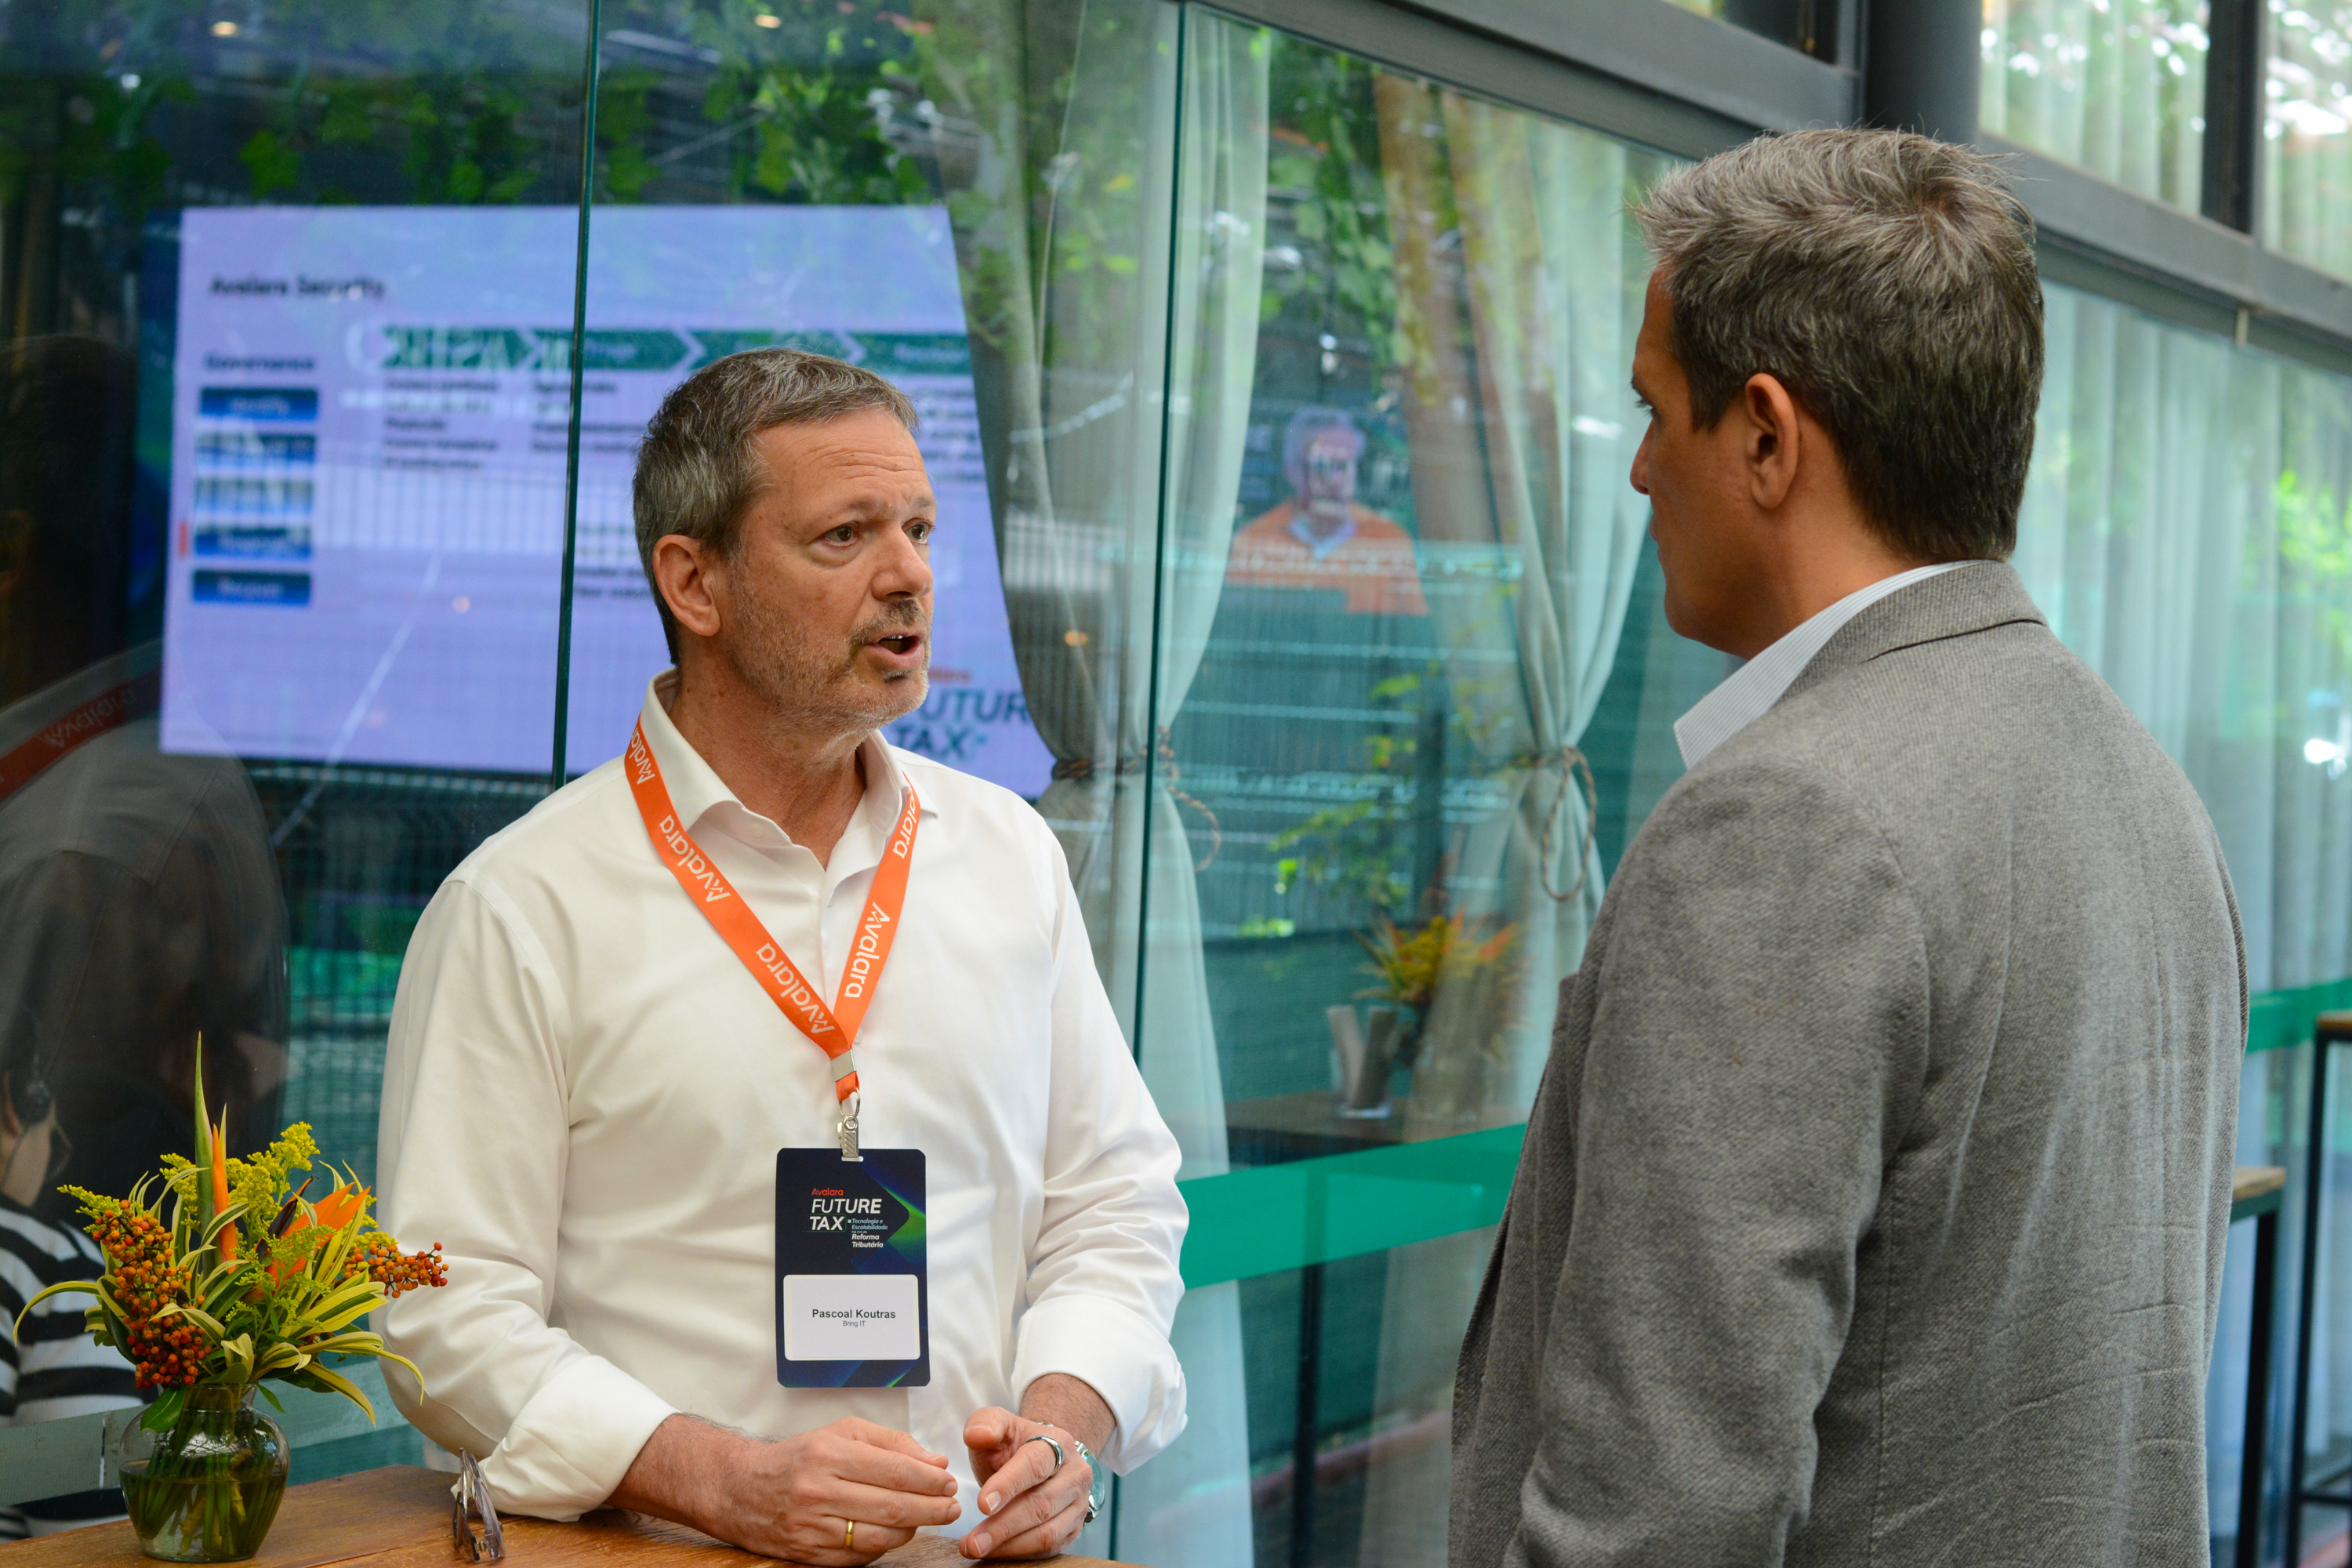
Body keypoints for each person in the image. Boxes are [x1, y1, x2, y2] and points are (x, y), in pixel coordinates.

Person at [1449, 129, 2244, 1566]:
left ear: (1766, 435)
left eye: (1654, 412)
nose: (1639, 472)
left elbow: (1659, 1513)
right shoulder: (2145, 788)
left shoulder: (1787, 824)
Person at [378, 349, 1187, 1564]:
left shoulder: (1008, 854)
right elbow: (443, 1314)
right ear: (694, 582)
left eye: (918, 527)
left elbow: (1114, 1203)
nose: (908, 574)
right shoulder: (522, 907)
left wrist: (1063, 1428)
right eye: (844, 536)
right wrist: (721, 1481)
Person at [1225, 406, 1427, 615]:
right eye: (1319, 466)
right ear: (1291, 471)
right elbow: (1235, 621)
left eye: (1342, 465)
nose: (1333, 481)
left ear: (1357, 470)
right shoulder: (1252, 542)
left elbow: (1411, 627)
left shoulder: (1390, 542)